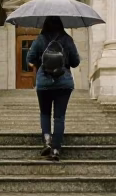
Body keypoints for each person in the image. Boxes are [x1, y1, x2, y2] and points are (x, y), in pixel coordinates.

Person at [25, 15, 80, 162]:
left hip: (44, 83)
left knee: (45, 113)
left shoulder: (40, 39)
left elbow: (29, 59)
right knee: (59, 116)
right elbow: (75, 62)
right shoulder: (67, 39)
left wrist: (41, 62)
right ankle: (56, 149)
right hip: (64, 83)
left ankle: (47, 141)